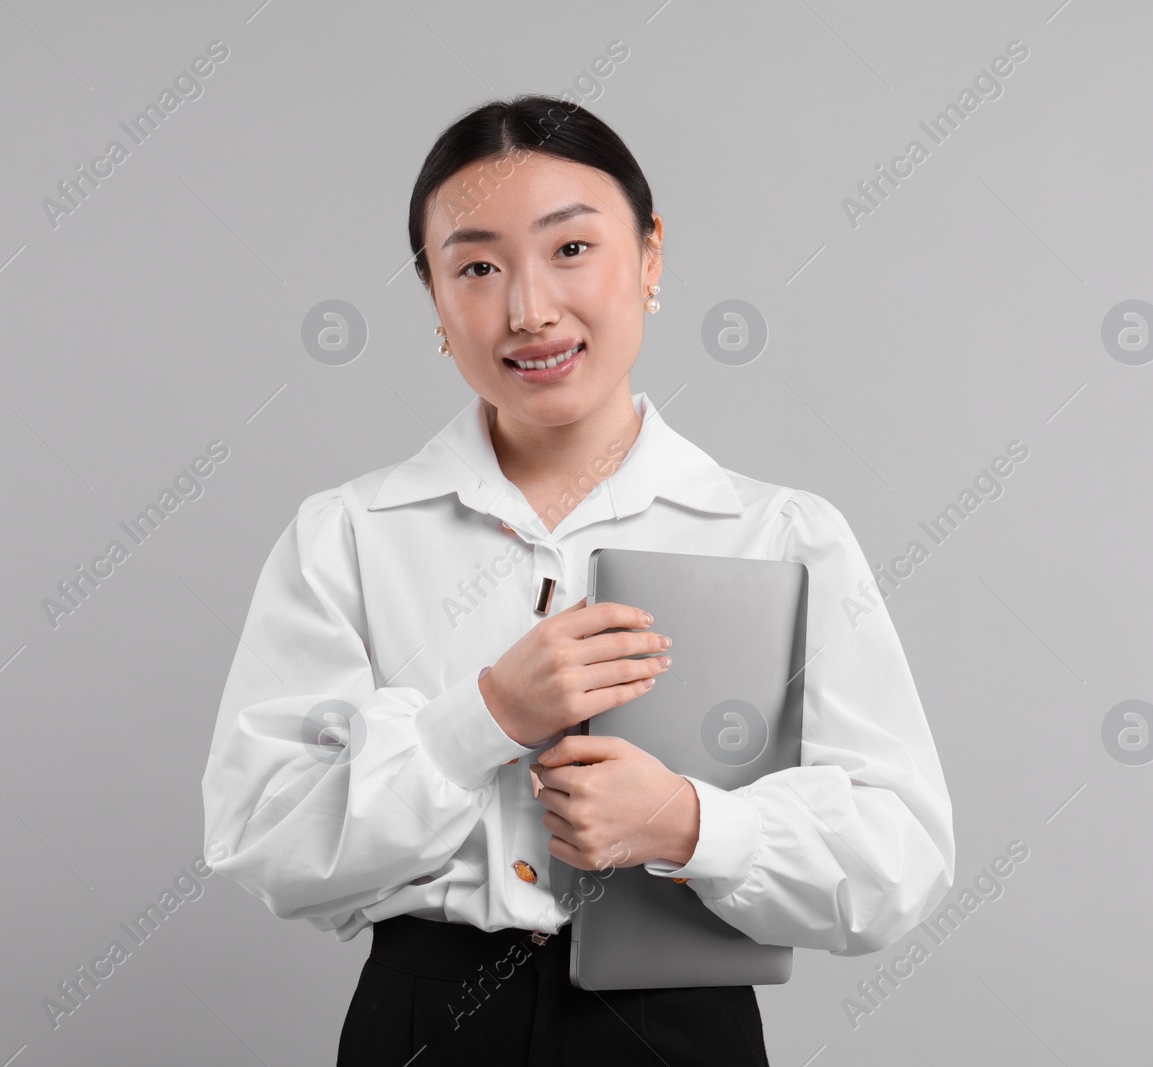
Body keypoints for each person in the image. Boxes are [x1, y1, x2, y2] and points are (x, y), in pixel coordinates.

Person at [201, 93, 955, 1066]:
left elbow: (899, 856)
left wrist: (687, 822)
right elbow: (261, 837)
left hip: (680, 1030)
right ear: (433, 298)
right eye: (475, 266)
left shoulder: (779, 535)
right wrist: (482, 718)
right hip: (425, 1025)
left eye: (570, 249)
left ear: (648, 259)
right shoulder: (346, 537)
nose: (528, 309)